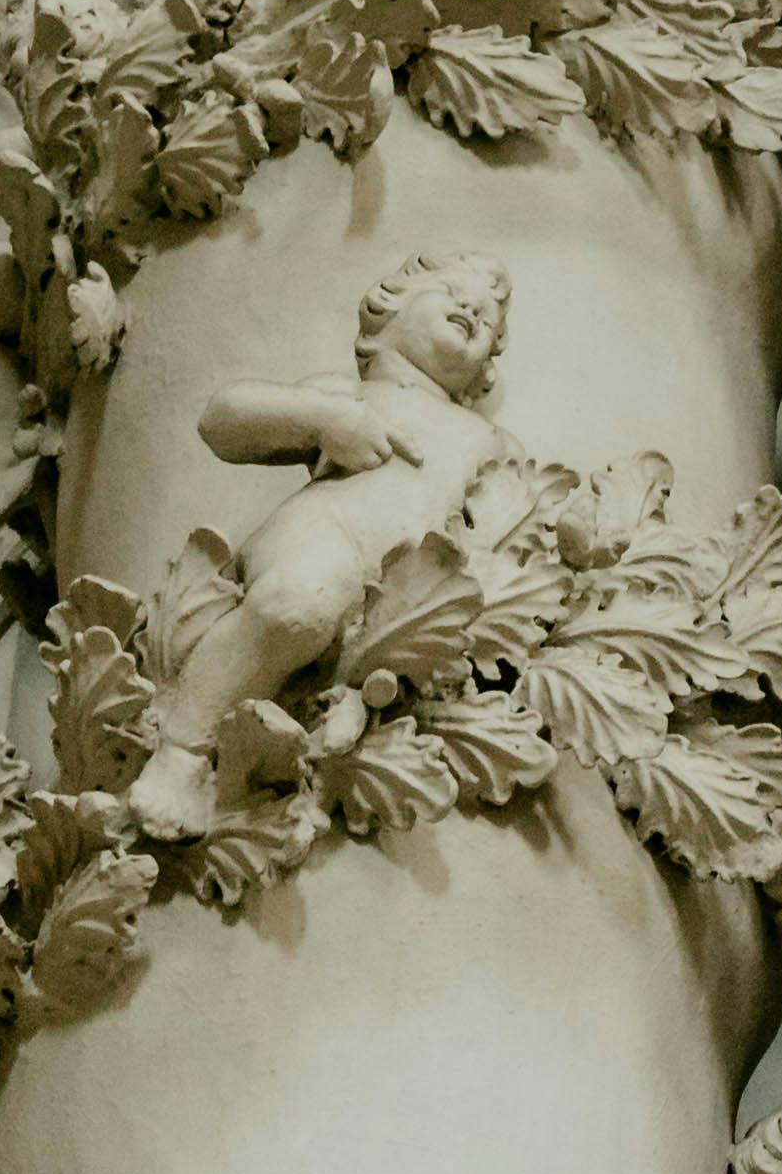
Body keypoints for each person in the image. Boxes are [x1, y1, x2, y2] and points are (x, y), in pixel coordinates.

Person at [139, 255, 514, 831]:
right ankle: (182, 753)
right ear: (386, 313)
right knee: (299, 602)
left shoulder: (489, 439)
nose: (470, 309)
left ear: (483, 366)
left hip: (402, 592)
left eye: (486, 319)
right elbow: (224, 419)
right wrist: (324, 421)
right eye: (452, 293)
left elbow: (509, 514)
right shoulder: (351, 394)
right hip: (328, 531)